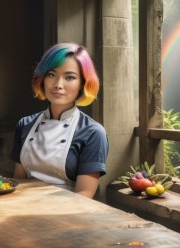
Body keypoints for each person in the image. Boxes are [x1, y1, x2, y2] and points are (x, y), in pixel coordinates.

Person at [10, 43, 108, 198]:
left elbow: (84, 195)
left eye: (70, 77)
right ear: (42, 79)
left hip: (67, 215)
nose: (58, 85)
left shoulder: (93, 133)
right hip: (23, 208)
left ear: (83, 83)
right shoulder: (25, 125)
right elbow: (18, 181)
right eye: (51, 75)